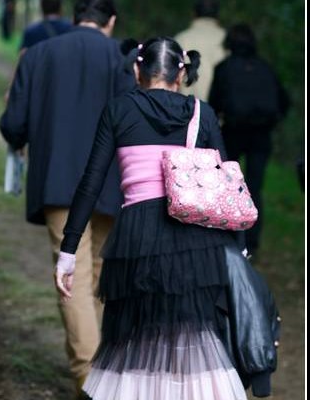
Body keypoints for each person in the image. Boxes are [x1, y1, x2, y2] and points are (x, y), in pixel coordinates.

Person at [54, 37, 280, 400]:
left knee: (135, 343)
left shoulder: (119, 110)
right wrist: (238, 251)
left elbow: (90, 184)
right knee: (194, 341)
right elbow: (228, 187)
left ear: (136, 70)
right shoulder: (200, 113)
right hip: (195, 242)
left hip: (136, 240)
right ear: (181, 73)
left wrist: (68, 250)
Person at [0, 0, 135, 398]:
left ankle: (91, 377)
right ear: (110, 21)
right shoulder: (125, 57)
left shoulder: (38, 54)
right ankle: (105, 371)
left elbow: (14, 125)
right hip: (114, 180)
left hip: (60, 184)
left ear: (77, 17)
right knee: (101, 273)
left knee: (72, 277)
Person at [208, 24, 290, 256]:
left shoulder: (224, 68)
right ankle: (252, 242)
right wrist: (272, 122)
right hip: (261, 135)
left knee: (228, 185)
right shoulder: (266, 68)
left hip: (233, 132)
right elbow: (284, 101)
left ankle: (230, 234)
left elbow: (214, 104)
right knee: (255, 187)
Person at [174, 0, 226, 100]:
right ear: (218, 14)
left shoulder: (181, 39)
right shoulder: (227, 39)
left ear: (193, 14)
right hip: (218, 111)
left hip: (187, 110)